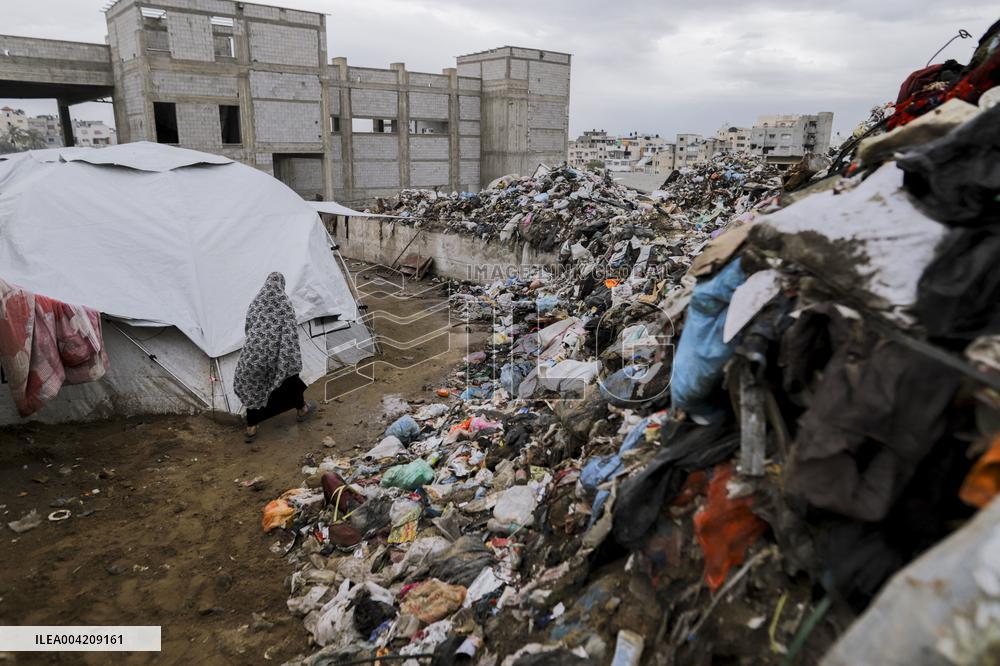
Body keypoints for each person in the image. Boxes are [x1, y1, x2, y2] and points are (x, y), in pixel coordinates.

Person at [234, 272, 316, 442]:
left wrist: (258, 344)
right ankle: (302, 410)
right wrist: (285, 355)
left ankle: (251, 428)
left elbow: (248, 327)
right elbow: (290, 331)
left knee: (253, 387)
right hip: (275, 354)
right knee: (290, 379)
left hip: (251, 355)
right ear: (281, 285)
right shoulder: (284, 303)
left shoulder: (256, 302)